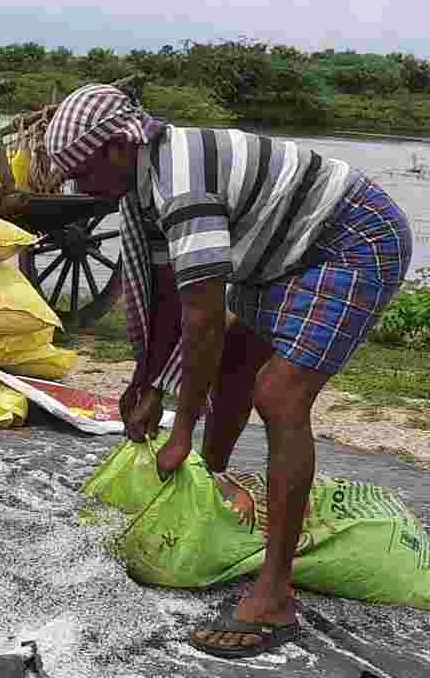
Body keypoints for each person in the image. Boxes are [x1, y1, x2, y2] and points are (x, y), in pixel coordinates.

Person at [43, 84, 412, 658]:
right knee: (236, 365)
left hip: (351, 241)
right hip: (286, 247)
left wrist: (181, 424)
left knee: (280, 397)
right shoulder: (143, 186)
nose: (79, 190)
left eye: (83, 173)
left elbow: (204, 316)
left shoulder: (180, 185)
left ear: (118, 147)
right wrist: (144, 384)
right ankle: (202, 492)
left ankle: (274, 598)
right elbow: (168, 297)